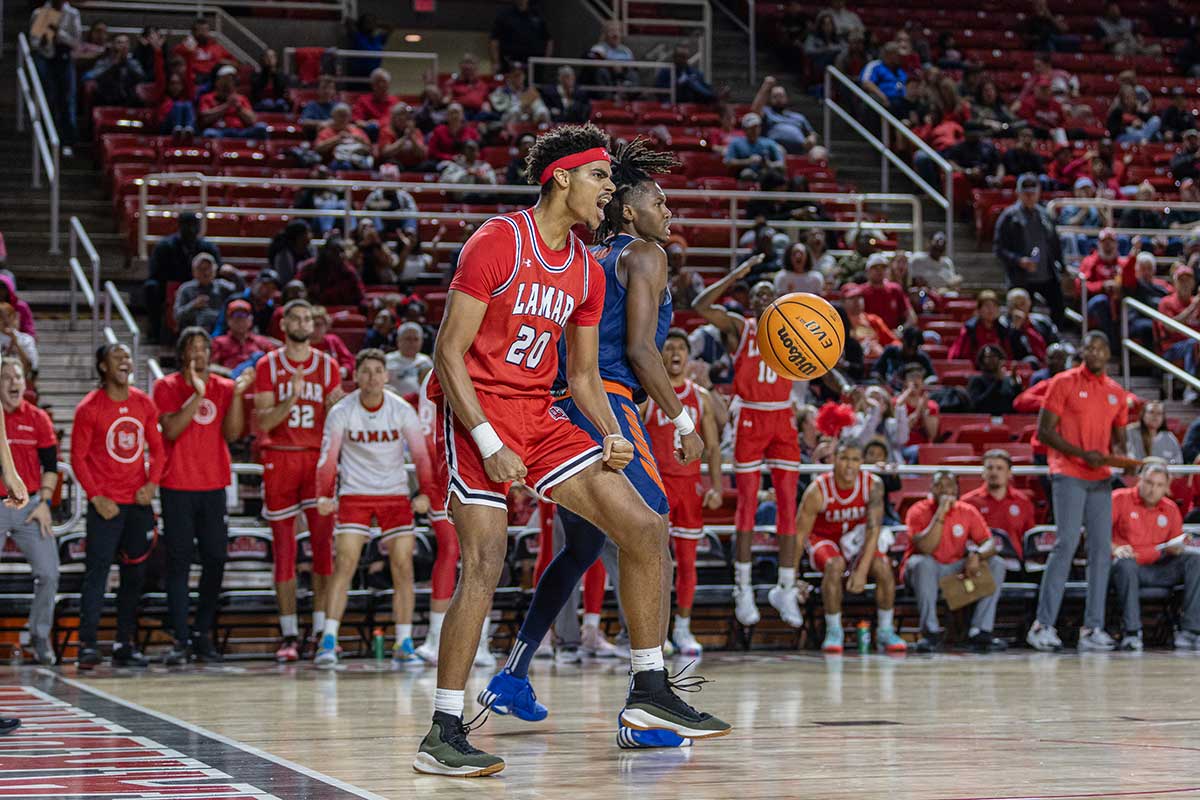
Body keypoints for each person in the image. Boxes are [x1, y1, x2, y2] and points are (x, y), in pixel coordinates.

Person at [413, 125, 728, 778]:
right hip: (481, 414)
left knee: (644, 527)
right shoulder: (497, 241)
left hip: (545, 415)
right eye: (600, 180)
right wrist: (489, 441)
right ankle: (444, 729)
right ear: (562, 178)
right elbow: (448, 354)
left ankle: (648, 692)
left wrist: (611, 429)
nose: (608, 192)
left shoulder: (586, 269)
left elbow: (583, 376)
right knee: (486, 561)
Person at [693, 258, 809, 629]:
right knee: (746, 502)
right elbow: (699, 306)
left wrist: (844, 389)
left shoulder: (791, 329)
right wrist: (734, 276)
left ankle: (785, 588)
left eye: (769, 295)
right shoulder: (740, 328)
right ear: (750, 302)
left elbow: (825, 361)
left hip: (783, 417)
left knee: (789, 502)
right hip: (752, 416)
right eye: (757, 295)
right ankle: (741, 587)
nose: (763, 300)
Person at [313, 349, 436, 667]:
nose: (371, 377)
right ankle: (328, 641)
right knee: (345, 564)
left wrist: (425, 492)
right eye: (364, 371)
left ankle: (405, 642)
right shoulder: (341, 411)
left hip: (394, 495)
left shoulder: (401, 410)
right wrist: (324, 495)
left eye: (377, 371)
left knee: (403, 568)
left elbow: (422, 456)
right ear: (356, 376)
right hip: (355, 494)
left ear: (386, 375)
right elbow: (327, 458)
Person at [253, 300, 345, 663]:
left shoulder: (328, 366)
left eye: (308, 317)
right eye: (296, 317)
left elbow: (336, 420)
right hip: (279, 456)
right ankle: (289, 633)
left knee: (324, 549)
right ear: (283, 324)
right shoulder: (267, 365)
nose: (303, 322)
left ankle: (322, 631)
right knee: (284, 551)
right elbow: (263, 422)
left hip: (318, 460)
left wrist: (333, 406)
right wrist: (290, 397)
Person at [154, 328, 251, 664]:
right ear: (182, 354)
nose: (198, 354)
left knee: (216, 559)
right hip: (176, 484)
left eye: (204, 348)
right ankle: (180, 637)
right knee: (179, 562)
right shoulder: (166, 386)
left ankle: (202, 631)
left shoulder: (223, 388)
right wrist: (196, 395)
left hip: (213, 484)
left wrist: (238, 395)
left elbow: (235, 433)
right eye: (192, 348)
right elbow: (171, 429)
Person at [1028, 331, 1129, 652]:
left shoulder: (1116, 392)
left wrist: (1124, 459)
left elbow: (1120, 440)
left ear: (1109, 354)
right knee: (1066, 543)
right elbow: (1044, 432)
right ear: (1082, 350)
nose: (1096, 352)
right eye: (1090, 347)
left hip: (1100, 478)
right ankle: (1043, 625)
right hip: (1068, 473)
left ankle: (1093, 628)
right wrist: (1080, 454)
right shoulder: (1063, 382)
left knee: (1101, 550)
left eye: (1102, 347)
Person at [71, 344, 164, 669]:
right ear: (102, 366)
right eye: (117, 358)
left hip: (137, 504)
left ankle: (125, 642)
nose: (125, 362)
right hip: (106, 507)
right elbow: (77, 458)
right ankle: (88, 644)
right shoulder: (89, 408)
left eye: (128, 357)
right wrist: (96, 497)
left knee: (135, 576)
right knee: (97, 575)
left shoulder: (143, 402)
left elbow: (159, 450)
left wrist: (151, 484)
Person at [644, 330, 724, 656]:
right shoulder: (648, 394)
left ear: (689, 357)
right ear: (660, 354)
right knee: (655, 563)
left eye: (681, 347)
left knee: (688, 563)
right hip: (656, 484)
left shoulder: (700, 396)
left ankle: (683, 627)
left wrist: (716, 486)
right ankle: (656, 631)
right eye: (670, 347)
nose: (675, 352)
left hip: (689, 487)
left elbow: (715, 448)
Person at [413, 372, 495, 668]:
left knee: (486, 556)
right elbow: (425, 436)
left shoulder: (491, 367)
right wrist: (428, 486)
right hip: (446, 470)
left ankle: (481, 642)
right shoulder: (435, 375)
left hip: (485, 467)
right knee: (449, 551)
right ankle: (435, 638)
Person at [795, 438, 905, 653]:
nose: (849, 465)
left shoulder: (873, 484)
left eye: (855, 460)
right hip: (824, 539)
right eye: (844, 458)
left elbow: (874, 528)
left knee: (883, 568)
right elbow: (800, 534)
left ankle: (885, 630)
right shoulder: (817, 490)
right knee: (834, 565)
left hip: (856, 539)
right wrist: (793, 576)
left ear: (861, 462)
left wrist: (861, 571)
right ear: (834, 459)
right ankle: (834, 630)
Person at [903, 471, 1008, 652]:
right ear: (931, 488)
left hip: (956, 575)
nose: (945, 490)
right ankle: (931, 633)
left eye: (950, 486)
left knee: (997, 563)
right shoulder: (918, 510)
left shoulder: (966, 510)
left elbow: (989, 543)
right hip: (925, 576)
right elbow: (926, 548)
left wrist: (976, 554)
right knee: (922, 563)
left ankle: (980, 631)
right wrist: (940, 514)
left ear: (957, 489)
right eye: (939, 485)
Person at [0, 360, 58, 665]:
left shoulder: (37, 418)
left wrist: (45, 503)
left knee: (49, 573)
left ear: (26, 383)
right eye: (6, 377)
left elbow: (51, 467)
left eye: (18, 377)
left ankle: (38, 636)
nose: (13, 382)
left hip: (30, 506)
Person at [1110, 459, 1200, 651]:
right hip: (1129, 566)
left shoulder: (1170, 508)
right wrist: (1115, 548)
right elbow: (1096, 535)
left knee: (1195, 559)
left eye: (1159, 485)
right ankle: (1132, 632)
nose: (1153, 489)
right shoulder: (1119, 498)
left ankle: (1191, 631)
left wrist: (1177, 548)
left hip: (1160, 566)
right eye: (1149, 483)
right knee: (1125, 564)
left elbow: (1176, 542)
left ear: (1166, 488)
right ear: (1139, 480)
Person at [993, 174, 1067, 326]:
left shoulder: (1045, 214)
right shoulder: (1009, 217)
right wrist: (1019, 260)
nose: (1029, 196)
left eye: (1033, 192)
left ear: (1038, 192)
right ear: (1018, 193)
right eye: (1026, 192)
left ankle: (1052, 341)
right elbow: (999, 249)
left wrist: (1063, 268)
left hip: (1047, 274)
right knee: (1020, 316)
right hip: (1021, 277)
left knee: (1059, 309)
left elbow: (1055, 244)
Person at [145, 212, 222, 343]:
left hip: (202, 285)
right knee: (151, 287)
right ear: (179, 227)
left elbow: (218, 269)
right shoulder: (165, 246)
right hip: (172, 284)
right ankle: (155, 331)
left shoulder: (207, 247)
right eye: (187, 225)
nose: (191, 229)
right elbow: (156, 272)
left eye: (194, 226)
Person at [963, 449, 1037, 559]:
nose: (994, 472)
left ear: (1009, 473)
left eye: (999, 468)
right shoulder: (968, 503)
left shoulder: (1022, 501)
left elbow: (1029, 537)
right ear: (983, 472)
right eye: (990, 468)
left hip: (1015, 563)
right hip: (981, 562)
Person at [31, 0, 82, 156]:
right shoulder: (40, 13)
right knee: (48, 97)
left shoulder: (73, 14)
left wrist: (59, 32)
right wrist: (44, 39)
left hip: (64, 58)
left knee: (66, 99)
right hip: (47, 57)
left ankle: (68, 140)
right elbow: (34, 42)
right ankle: (47, 137)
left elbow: (76, 41)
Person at [751, 77, 818, 155]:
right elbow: (755, 109)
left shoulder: (798, 117)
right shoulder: (767, 113)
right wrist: (765, 87)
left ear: (786, 98)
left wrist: (811, 139)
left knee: (819, 152)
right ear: (770, 99)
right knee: (778, 151)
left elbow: (812, 133)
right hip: (776, 147)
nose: (779, 99)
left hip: (802, 149)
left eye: (781, 96)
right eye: (775, 96)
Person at [210, 299, 278, 375]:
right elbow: (211, 366)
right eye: (236, 317)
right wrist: (232, 374)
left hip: (257, 381)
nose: (240, 321)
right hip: (228, 382)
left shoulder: (262, 342)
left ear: (251, 320)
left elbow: (275, 362)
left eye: (244, 316)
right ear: (228, 320)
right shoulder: (218, 342)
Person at [198, 65, 267, 140]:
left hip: (240, 132)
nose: (228, 83)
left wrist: (239, 107)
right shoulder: (207, 98)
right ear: (217, 82)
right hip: (219, 131)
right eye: (225, 79)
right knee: (209, 133)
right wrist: (226, 105)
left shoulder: (241, 98)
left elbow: (252, 120)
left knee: (261, 127)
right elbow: (204, 119)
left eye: (232, 79)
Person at [174, 253, 237, 333]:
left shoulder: (223, 286)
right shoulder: (186, 289)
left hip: (221, 330)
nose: (206, 273)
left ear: (215, 270)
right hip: (194, 332)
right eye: (201, 269)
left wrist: (234, 274)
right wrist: (193, 305)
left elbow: (242, 294)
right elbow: (177, 316)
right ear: (194, 271)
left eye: (209, 268)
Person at [298, 239, 365, 308]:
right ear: (325, 252)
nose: (339, 254)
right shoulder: (310, 267)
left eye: (341, 251)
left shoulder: (349, 271)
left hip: (343, 312)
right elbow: (296, 286)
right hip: (315, 311)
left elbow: (360, 297)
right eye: (334, 251)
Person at [490, 0, 553, 72]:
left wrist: (545, 61)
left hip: (533, 65)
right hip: (509, 63)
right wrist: (496, 62)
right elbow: (494, 40)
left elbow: (548, 40)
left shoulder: (538, 15)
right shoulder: (504, 15)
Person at [860, 253, 917, 330]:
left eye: (883, 267)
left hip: (893, 335)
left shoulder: (895, 289)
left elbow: (911, 317)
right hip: (870, 334)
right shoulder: (861, 291)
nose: (879, 271)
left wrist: (900, 330)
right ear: (867, 271)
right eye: (875, 268)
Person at [723, 113, 786, 182]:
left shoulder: (769, 143)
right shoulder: (735, 143)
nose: (755, 130)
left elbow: (781, 165)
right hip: (743, 177)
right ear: (744, 129)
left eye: (757, 127)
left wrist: (768, 164)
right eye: (751, 128)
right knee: (747, 173)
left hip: (766, 177)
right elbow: (728, 162)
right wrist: (748, 161)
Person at [172, 18, 230, 83]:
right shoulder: (185, 46)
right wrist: (189, 50)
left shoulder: (216, 46)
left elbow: (232, 62)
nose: (203, 33)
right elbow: (175, 57)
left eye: (206, 30)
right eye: (201, 30)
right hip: (193, 78)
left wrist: (225, 62)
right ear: (193, 32)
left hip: (213, 78)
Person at [968, 345, 1021, 415]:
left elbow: (1015, 402)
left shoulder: (1007, 379)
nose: (991, 360)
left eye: (994, 356)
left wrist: (1016, 383)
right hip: (985, 419)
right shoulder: (977, 380)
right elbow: (978, 405)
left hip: (1007, 418)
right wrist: (998, 382)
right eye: (988, 357)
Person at [377, 103, 429, 171]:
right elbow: (386, 153)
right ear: (394, 118)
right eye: (401, 116)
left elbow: (422, 154)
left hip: (414, 165)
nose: (405, 119)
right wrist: (405, 138)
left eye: (407, 117)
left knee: (428, 165)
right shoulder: (386, 131)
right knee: (392, 164)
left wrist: (412, 138)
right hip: (395, 165)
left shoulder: (415, 132)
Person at [386, 322, 433, 397]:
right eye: (408, 339)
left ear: (421, 341)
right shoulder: (387, 360)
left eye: (416, 339)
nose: (412, 343)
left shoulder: (426, 361)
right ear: (398, 340)